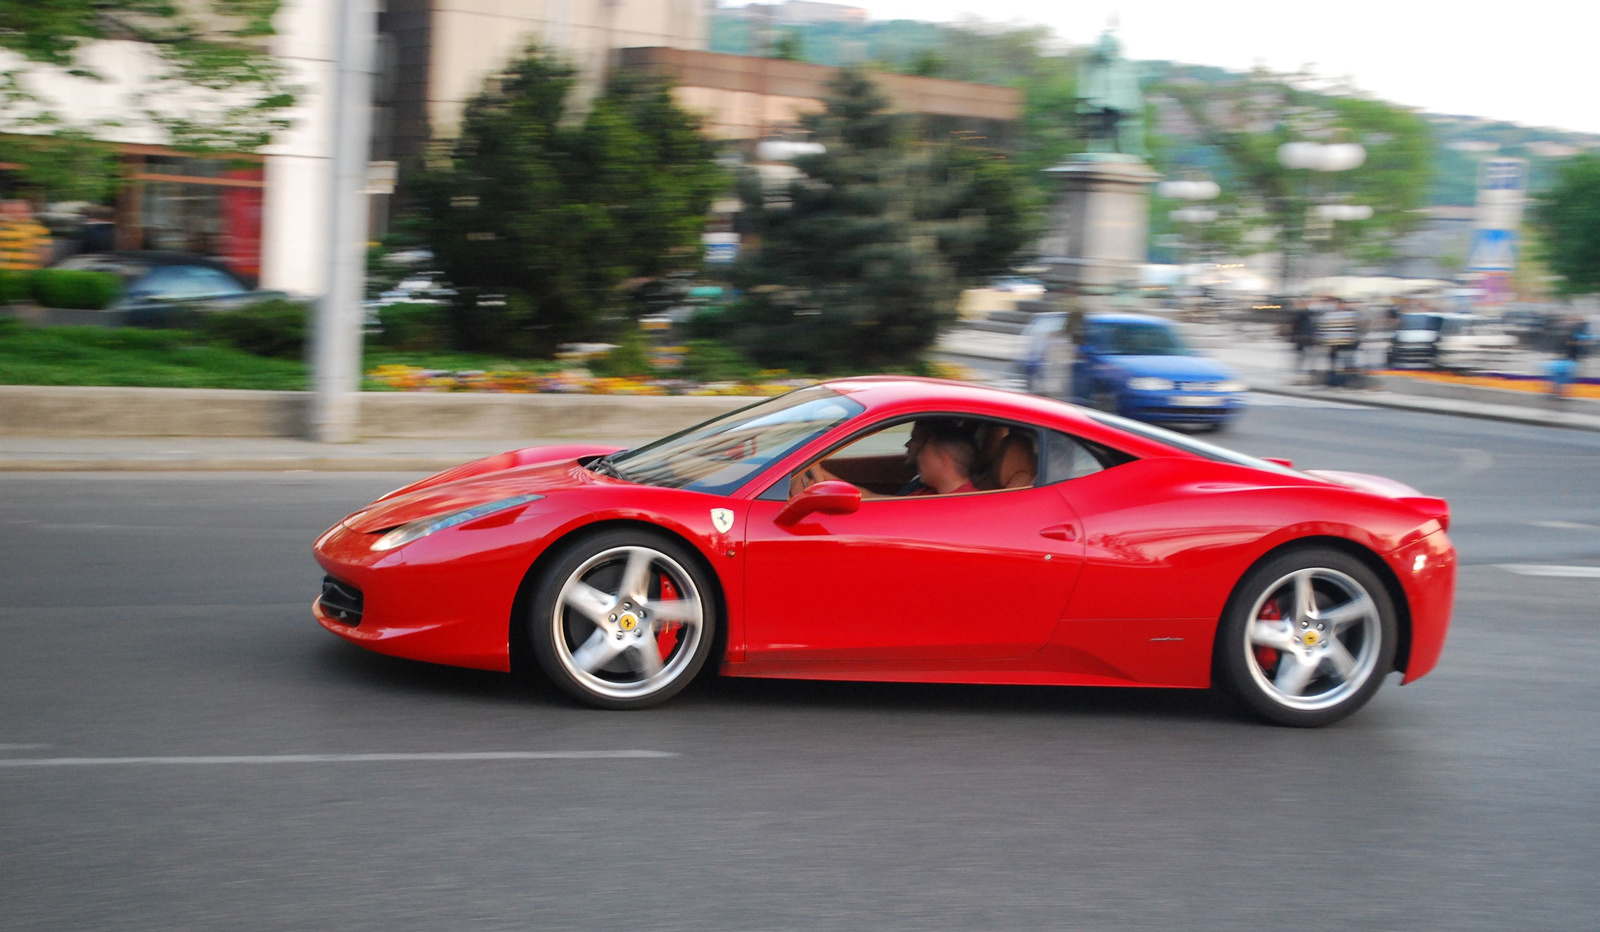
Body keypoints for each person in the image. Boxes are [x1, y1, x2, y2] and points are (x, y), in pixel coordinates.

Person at [0, 200, 53, 271]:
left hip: (27, 271)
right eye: (12, 211)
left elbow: (45, 253)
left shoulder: (37, 229)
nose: (15, 214)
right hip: (6, 271)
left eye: (19, 211)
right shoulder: (4, 227)